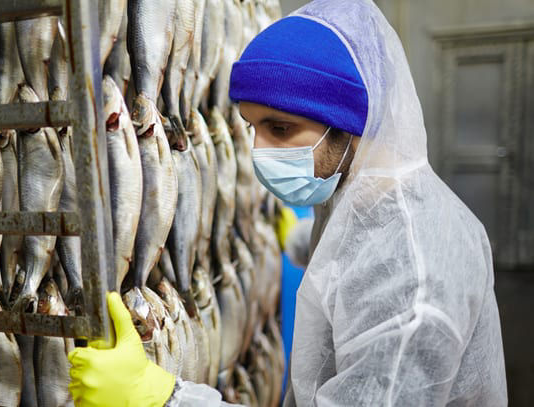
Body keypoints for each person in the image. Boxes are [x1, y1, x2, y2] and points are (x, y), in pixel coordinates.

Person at [68, 0, 508, 405]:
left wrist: (165, 400)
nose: (260, 152)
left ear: (347, 124)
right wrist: (297, 239)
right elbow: (351, 255)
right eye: (251, 127)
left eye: (279, 129)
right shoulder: (361, 198)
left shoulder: (414, 277)